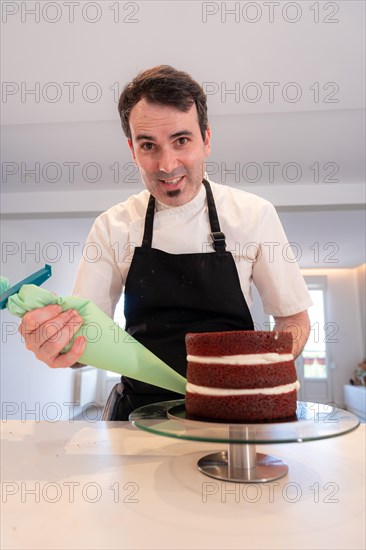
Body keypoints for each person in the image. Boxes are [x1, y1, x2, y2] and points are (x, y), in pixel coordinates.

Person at [19, 65, 312, 420]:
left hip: (231, 413)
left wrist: (260, 365)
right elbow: (85, 343)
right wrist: (58, 341)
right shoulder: (112, 227)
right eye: (148, 146)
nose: (167, 164)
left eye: (181, 140)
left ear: (206, 139)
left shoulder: (254, 216)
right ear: (132, 149)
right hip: (139, 418)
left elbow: (294, 320)